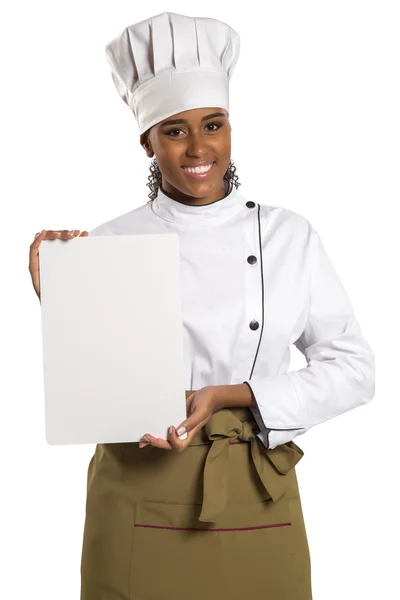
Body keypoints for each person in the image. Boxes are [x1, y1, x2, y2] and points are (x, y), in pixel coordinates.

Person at [29, 11, 375, 600]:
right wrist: (57, 294)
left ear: (231, 129)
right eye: (174, 130)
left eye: (213, 125)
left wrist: (230, 395)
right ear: (146, 141)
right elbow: (97, 386)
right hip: (138, 493)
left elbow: (354, 372)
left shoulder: (288, 236)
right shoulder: (108, 244)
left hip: (256, 488)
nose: (198, 148)